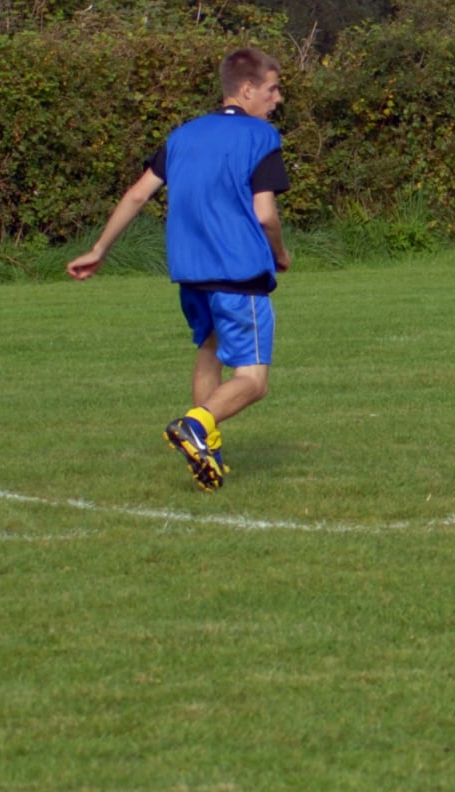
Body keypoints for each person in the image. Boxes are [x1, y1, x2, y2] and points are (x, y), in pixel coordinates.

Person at [68, 48, 291, 492]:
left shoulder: (184, 135)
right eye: (272, 88)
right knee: (253, 380)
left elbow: (136, 195)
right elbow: (265, 214)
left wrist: (99, 249)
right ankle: (196, 424)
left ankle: (207, 448)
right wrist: (280, 253)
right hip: (238, 270)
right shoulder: (260, 136)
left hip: (192, 272)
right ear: (247, 90)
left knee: (209, 348)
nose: (278, 98)